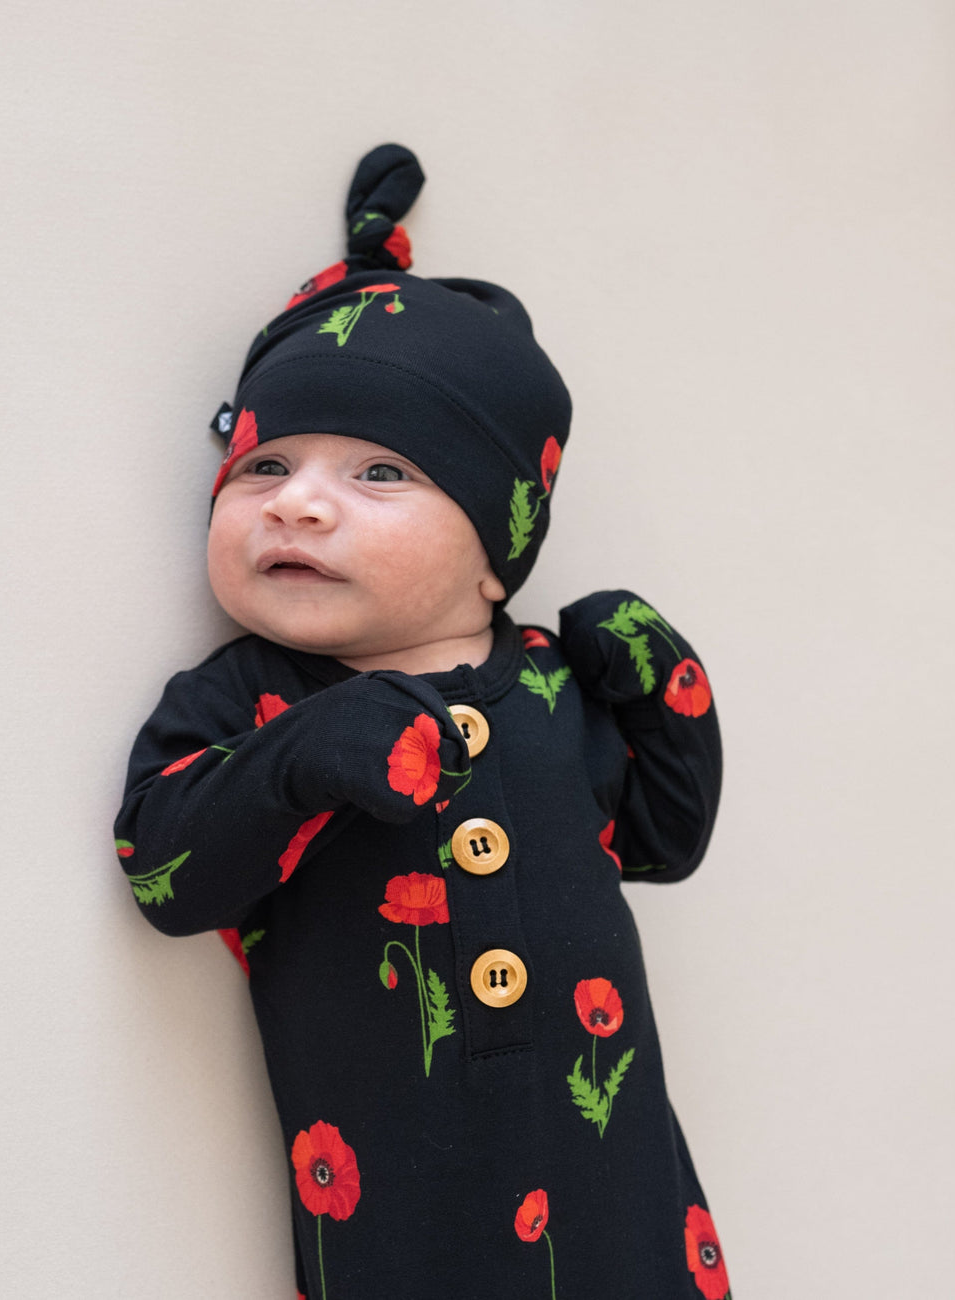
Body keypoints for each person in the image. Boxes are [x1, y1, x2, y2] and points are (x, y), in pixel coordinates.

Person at [114, 143, 731, 1300]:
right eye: (264, 466)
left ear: (498, 554)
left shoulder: (553, 688)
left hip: (624, 1211)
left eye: (380, 474)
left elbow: (661, 840)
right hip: (404, 1224)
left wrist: (663, 692)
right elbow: (164, 874)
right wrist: (304, 758)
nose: (297, 499)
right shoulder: (255, 698)